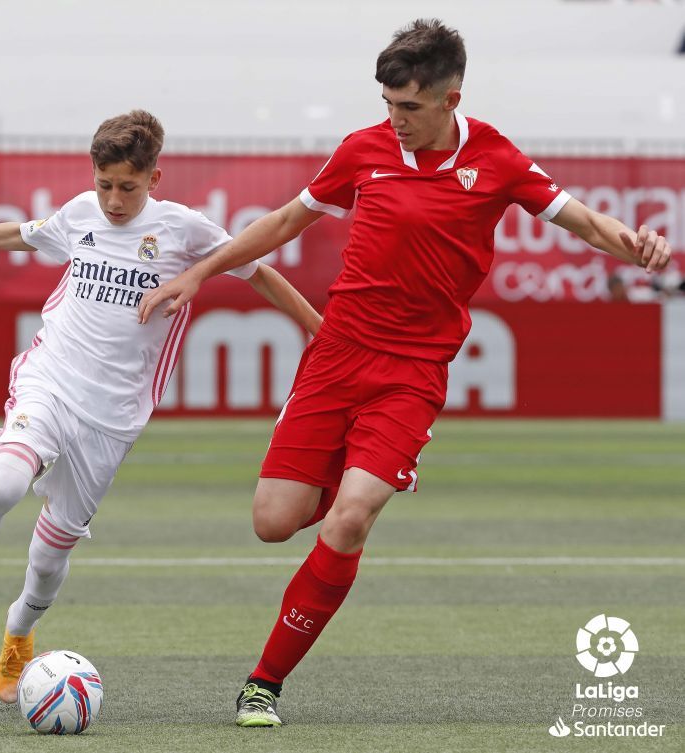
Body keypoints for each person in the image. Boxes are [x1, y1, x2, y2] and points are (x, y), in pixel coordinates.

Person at [137, 20, 673, 727]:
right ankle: (366, 470)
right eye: (389, 104)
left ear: (453, 97)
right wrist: (201, 272)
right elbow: (282, 223)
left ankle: (262, 684)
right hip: (336, 357)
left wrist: (636, 246)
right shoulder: (364, 150)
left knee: (351, 517)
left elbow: (579, 219)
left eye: (411, 108)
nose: (397, 120)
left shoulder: (497, 158)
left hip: (413, 371)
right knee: (274, 522)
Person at [0, 110, 322, 704]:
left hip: (111, 416)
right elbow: (21, 234)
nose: (112, 199)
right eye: (104, 183)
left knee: (50, 552)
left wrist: (318, 327)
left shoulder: (185, 231)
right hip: (49, 379)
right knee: (5, 481)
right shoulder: (81, 213)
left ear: (154, 178)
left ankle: (19, 634)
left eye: (127, 187)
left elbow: (260, 273)